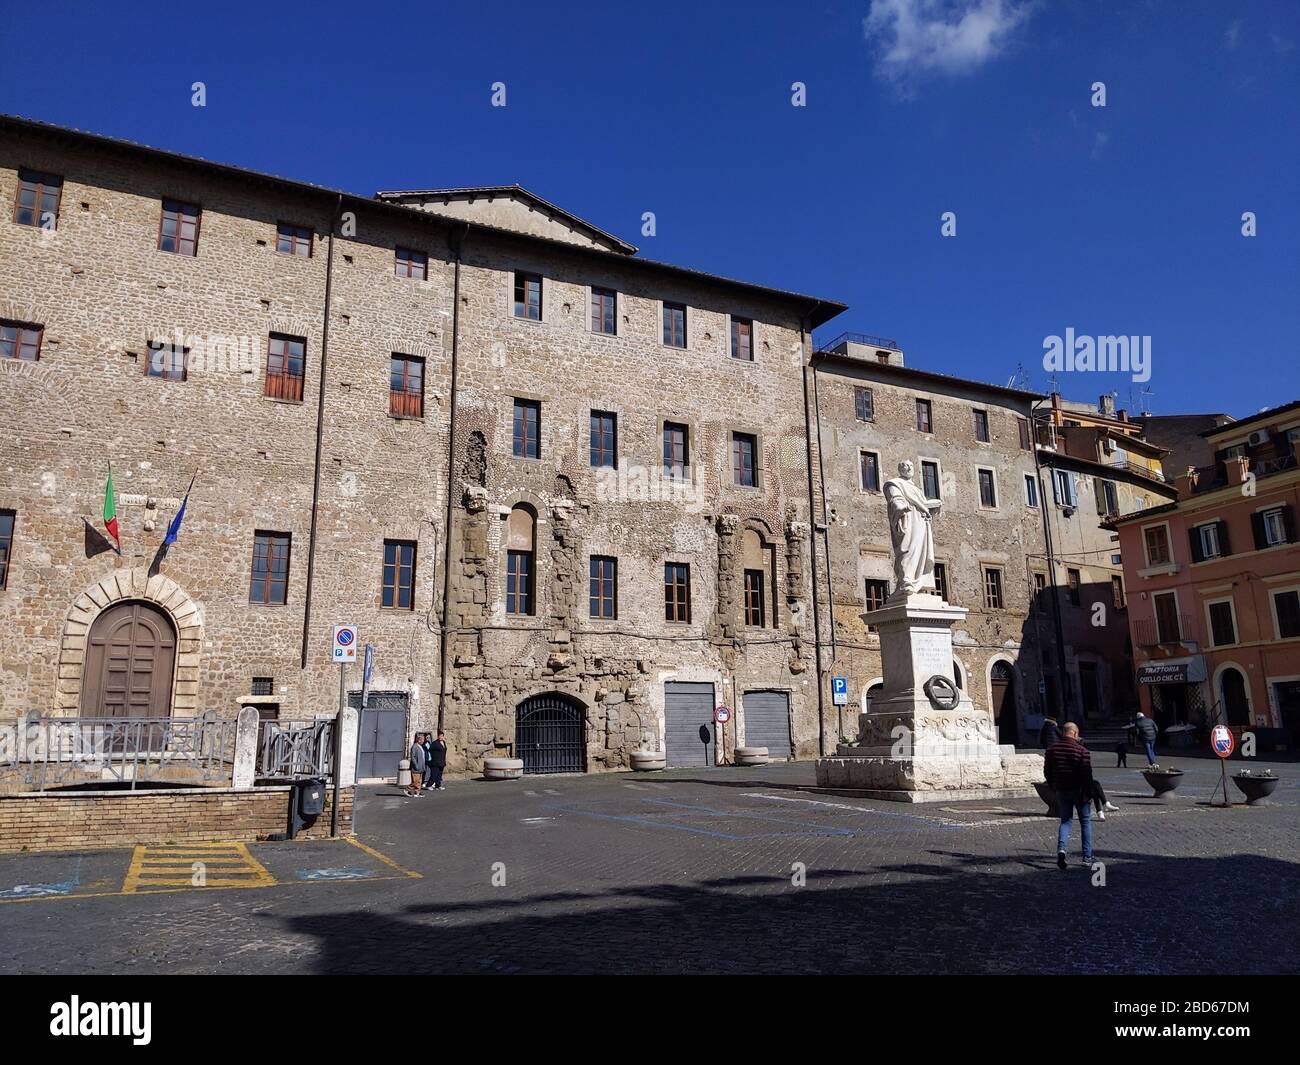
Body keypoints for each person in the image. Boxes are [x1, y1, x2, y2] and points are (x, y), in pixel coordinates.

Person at [1044, 722, 1094, 868]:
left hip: (1061, 789)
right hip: (1079, 791)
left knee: (1065, 821)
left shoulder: (1052, 750)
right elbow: (1087, 774)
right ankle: (1087, 857)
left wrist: (1053, 785)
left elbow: (1047, 771)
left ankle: (1061, 850)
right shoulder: (1081, 751)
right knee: (1085, 822)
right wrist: (1089, 792)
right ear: (1074, 733)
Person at [407, 733, 426, 797]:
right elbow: (413, 757)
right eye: (422, 739)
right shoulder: (415, 746)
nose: (423, 741)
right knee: (415, 781)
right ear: (419, 740)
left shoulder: (421, 746)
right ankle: (408, 789)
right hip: (416, 767)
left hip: (421, 767)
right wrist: (416, 765)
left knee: (419, 781)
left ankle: (417, 792)